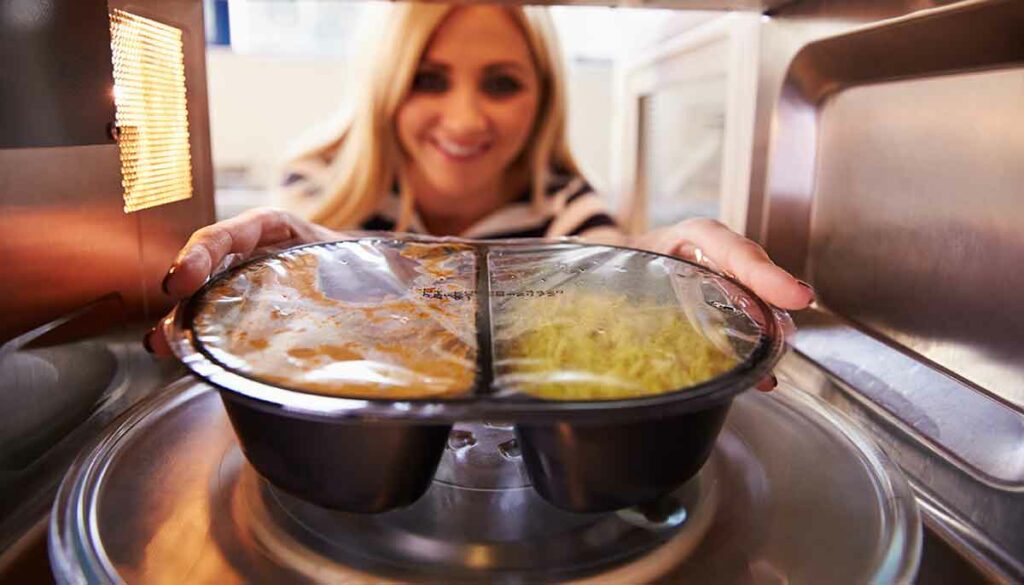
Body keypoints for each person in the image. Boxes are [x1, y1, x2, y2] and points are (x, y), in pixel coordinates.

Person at [145, 3, 813, 361]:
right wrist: (282, 283)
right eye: (429, 79)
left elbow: (610, 269)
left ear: (543, 97)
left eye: (501, 83)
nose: (464, 120)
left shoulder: (566, 211)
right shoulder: (314, 189)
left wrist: (662, 283)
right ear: (385, 87)